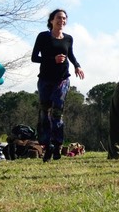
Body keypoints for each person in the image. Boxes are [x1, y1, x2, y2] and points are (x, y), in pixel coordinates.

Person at [31, 9, 85, 162]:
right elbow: (34, 58)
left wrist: (77, 66)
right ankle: (47, 145)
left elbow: (71, 54)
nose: (62, 20)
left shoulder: (68, 39)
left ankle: (57, 145)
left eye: (64, 18)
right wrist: (52, 59)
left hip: (62, 80)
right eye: (58, 18)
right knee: (44, 113)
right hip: (45, 80)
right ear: (51, 20)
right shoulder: (43, 36)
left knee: (57, 112)